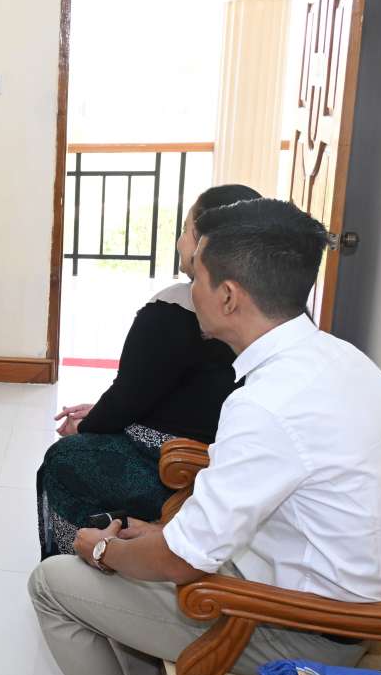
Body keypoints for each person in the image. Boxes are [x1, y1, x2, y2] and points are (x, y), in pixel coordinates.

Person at [27, 198, 381, 675]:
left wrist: (103, 549)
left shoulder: (267, 403)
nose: (187, 288)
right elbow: (231, 514)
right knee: (137, 551)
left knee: (55, 583)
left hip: (307, 627)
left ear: (227, 296)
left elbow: (181, 562)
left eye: (196, 274)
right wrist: (149, 539)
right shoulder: (339, 359)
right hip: (336, 596)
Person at [37, 184, 261, 558]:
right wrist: (102, 412)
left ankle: (80, 563)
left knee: (64, 459)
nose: (179, 241)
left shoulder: (175, 310)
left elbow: (128, 396)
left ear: (206, 246)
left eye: (186, 230)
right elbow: (157, 391)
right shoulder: (270, 312)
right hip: (222, 457)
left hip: (177, 463)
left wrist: (88, 425)